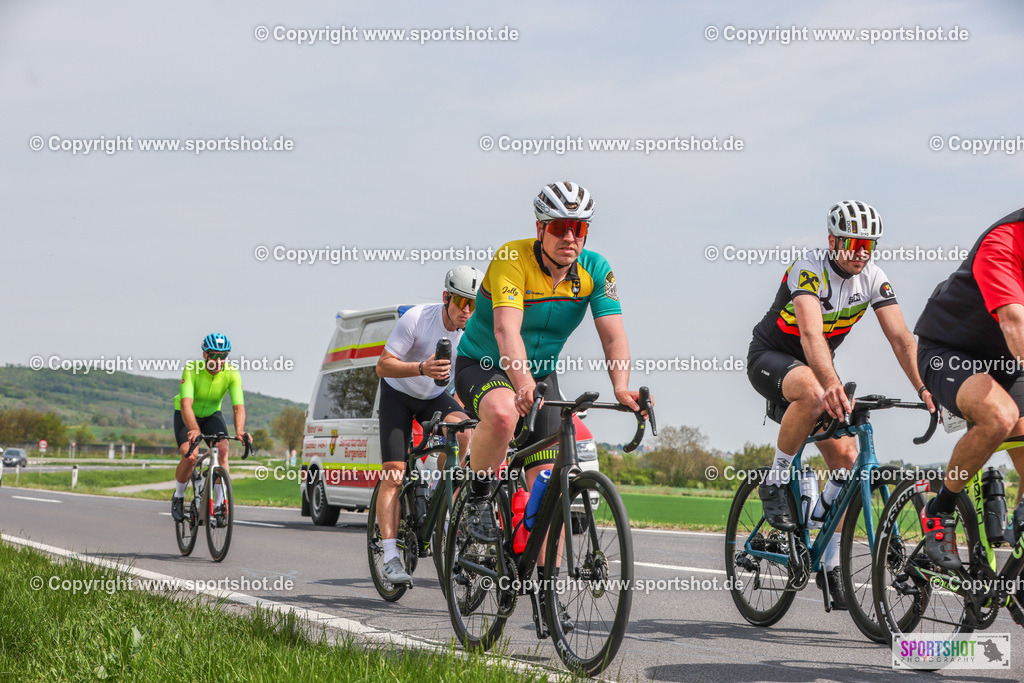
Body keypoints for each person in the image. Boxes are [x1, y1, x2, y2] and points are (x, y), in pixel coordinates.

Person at [455, 181, 642, 632]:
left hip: (539, 376)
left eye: (579, 228)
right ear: (540, 228)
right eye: (560, 227)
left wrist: (621, 388)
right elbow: (506, 331)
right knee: (502, 414)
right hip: (485, 363)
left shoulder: (596, 269)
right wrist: (520, 383)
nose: (570, 237)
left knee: (551, 482)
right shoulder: (510, 259)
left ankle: (545, 592)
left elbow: (613, 334)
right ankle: (478, 498)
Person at [747, 200, 935, 609]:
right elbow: (812, 336)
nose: (860, 252)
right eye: (852, 243)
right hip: (773, 357)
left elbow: (902, 339)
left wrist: (926, 387)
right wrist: (830, 385)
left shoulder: (872, 277)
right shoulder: (809, 267)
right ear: (832, 240)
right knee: (816, 393)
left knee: (848, 460)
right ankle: (776, 479)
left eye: (868, 245)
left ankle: (828, 563)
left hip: (817, 365)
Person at [914, 207, 1024, 570]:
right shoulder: (1005, 240)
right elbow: (1013, 321)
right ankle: (939, 510)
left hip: (1006, 362)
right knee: (1000, 417)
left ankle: (1016, 569)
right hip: (949, 350)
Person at [373, 266, 483, 587]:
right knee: (394, 473)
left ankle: (444, 498)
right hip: (398, 394)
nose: (467, 311)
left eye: (474, 305)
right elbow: (383, 366)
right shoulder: (418, 319)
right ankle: (391, 555)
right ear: (446, 297)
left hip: (434, 397)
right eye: (462, 302)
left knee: (465, 430)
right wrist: (422, 367)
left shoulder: (474, 330)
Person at [170, 333, 250, 525]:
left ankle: (221, 503)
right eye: (214, 355)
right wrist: (194, 429)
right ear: (205, 355)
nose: (219, 361)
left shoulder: (231, 373)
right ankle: (179, 496)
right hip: (186, 415)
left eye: (223, 356)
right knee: (190, 456)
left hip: (213, 415)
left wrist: (240, 430)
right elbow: (186, 405)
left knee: (222, 450)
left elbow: (238, 407)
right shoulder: (191, 369)